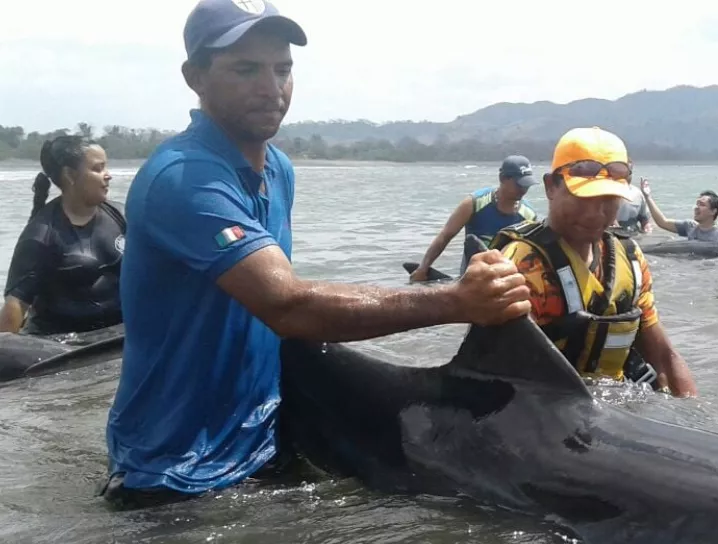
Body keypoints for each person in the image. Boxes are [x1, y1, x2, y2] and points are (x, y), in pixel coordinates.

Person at [103, 0, 530, 510]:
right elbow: (287, 305)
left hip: (262, 444)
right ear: (194, 76)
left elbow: (275, 297)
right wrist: (456, 302)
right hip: (170, 470)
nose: (270, 86)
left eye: (282, 69)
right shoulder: (184, 180)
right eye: (245, 69)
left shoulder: (278, 169)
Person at [490, 127, 697, 398]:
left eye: (608, 199)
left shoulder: (630, 258)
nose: (594, 214)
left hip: (614, 406)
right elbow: (506, 380)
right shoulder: (523, 267)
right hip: (548, 410)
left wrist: (694, 416)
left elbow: (665, 358)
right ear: (551, 186)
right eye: (582, 198)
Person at [3, 135, 126, 335]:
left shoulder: (121, 215)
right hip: (63, 345)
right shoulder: (41, 235)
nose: (108, 175)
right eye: (97, 168)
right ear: (70, 175)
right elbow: (15, 307)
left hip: (116, 336)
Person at [410, 155, 538, 281]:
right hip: (471, 277)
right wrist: (423, 268)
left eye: (527, 185)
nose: (524, 189)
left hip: (504, 279)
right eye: (519, 184)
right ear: (503, 178)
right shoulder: (475, 203)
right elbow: (445, 236)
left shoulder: (529, 215)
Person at [639, 181, 718, 242]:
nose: (696, 207)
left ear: (713, 211)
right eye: (696, 204)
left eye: (702, 204)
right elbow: (662, 222)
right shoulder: (690, 227)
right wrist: (648, 197)